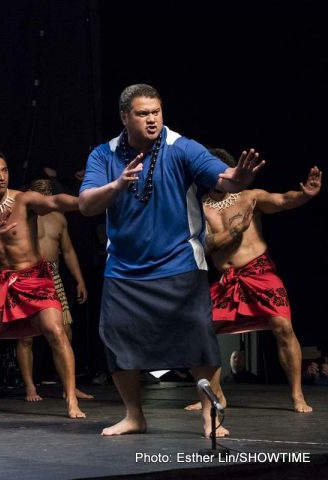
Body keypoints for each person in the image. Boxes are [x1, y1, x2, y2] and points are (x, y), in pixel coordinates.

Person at [78, 84, 264, 437]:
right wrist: (116, 186)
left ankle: (210, 415)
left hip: (178, 262)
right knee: (117, 339)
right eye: (142, 113)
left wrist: (237, 178)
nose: (151, 119)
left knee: (198, 339)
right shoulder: (104, 155)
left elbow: (222, 176)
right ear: (124, 117)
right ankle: (134, 415)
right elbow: (86, 204)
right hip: (124, 268)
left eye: (156, 112)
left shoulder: (182, 147)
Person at [189, 148, 320, 412]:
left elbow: (283, 199)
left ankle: (297, 395)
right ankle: (215, 395)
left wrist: (304, 195)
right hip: (226, 279)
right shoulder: (197, 207)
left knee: (283, 327)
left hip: (260, 273)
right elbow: (202, 246)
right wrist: (234, 231)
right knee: (197, 334)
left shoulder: (250, 197)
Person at [0, 149, 86, 419]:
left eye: (4, 170)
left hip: (35, 277)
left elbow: (55, 202)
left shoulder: (23, 199)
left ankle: (71, 399)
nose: (2, 176)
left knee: (56, 329)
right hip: (5, 281)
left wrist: (86, 201)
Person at [16, 178, 92, 402]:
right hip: (30, 274)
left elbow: (67, 251)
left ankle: (70, 387)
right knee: (26, 336)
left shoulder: (59, 219)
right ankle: (30, 386)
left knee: (65, 331)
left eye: (47, 191)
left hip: (53, 276)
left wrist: (79, 280)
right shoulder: (23, 215)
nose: (44, 195)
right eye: (39, 191)